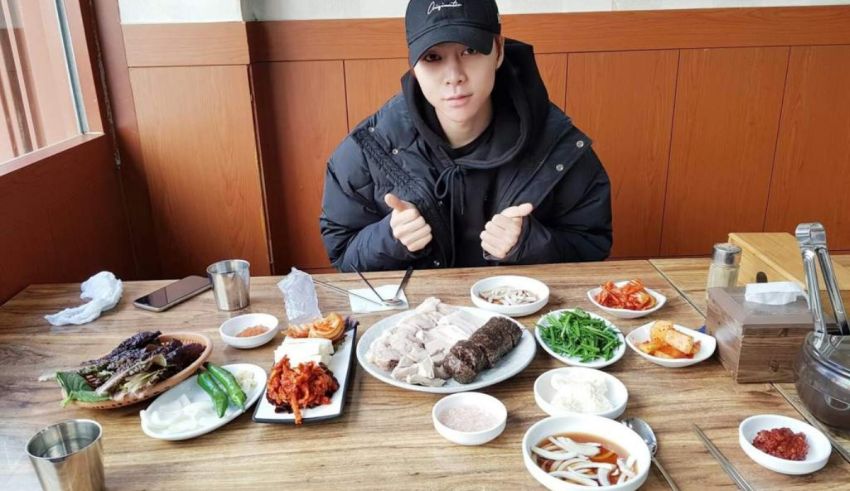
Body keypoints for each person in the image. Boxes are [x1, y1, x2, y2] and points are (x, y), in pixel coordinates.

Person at [320, 0, 612, 272]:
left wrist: (531, 244)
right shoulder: (369, 148)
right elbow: (342, 253)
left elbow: (592, 244)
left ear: (498, 50)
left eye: (470, 51)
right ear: (414, 67)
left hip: (518, 316)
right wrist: (390, 237)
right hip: (418, 321)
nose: (454, 76)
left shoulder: (556, 143)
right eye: (433, 57)